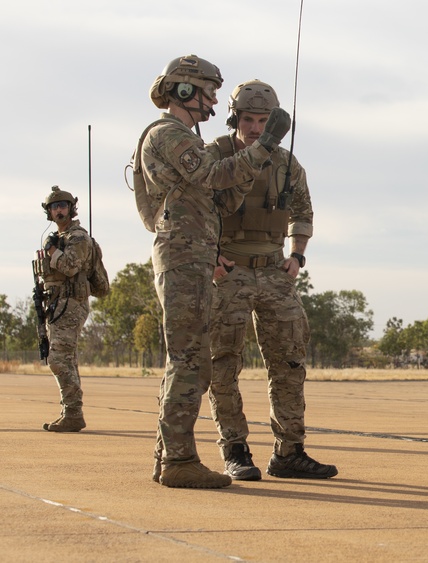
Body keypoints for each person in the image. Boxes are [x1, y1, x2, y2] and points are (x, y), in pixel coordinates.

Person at [135, 55, 290, 489]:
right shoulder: (169, 135)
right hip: (183, 257)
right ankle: (179, 461)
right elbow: (212, 173)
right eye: (208, 91)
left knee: (191, 361)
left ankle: (170, 456)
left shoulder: (182, 136)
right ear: (185, 91)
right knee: (189, 361)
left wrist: (257, 159)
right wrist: (265, 146)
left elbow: (222, 190)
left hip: (195, 255)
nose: (213, 101)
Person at [205, 79, 336, 481]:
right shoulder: (216, 156)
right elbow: (197, 206)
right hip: (228, 272)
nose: (256, 128)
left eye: (264, 120)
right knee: (223, 362)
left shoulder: (287, 163)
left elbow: (303, 210)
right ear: (234, 119)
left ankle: (289, 451)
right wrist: (211, 255)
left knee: (290, 361)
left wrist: (297, 253)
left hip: (275, 270)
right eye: (248, 119)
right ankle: (235, 449)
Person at [36, 186, 94, 433]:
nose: (58, 210)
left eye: (63, 206)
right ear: (49, 212)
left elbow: (71, 267)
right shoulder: (59, 238)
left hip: (71, 303)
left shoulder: (77, 236)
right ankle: (71, 412)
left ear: (71, 209)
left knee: (58, 359)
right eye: (54, 207)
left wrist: (52, 251)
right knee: (67, 359)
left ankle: (73, 413)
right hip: (56, 303)